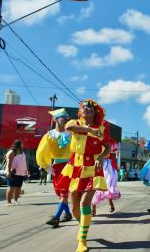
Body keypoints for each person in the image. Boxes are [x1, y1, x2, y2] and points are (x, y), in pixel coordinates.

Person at [57, 99, 110, 252]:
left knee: (85, 204)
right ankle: (82, 228)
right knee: (74, 208)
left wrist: (101, 157)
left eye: (90, 108)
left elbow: (107, 146)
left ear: (95, 113)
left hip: (93, 166)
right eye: (83, 107)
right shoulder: (75, 122)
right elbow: (68, 126)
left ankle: (82, 240)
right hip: (75, 165)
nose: (86, 109)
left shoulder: (101, 127)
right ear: (80, 112)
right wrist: (89, 130)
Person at [36, 108, 73, 228]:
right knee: (60, 192)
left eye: (67, 118)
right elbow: (41, 151)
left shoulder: (72, 134)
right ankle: (67, 214)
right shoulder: (49, 135)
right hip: (56, 166)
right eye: (63, 118)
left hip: (69, 166)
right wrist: (46, 165)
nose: (66, 120)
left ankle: (56, 217)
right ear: (56, 120)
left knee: (64, 192)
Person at [5, 140, 29, 206]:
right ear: (18, 145)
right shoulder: (12, 152)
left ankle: (15, 200)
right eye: (22, 144)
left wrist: (27, 171)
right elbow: (9, 163)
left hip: (21, 173)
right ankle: (8, 202)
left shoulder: (23, 152)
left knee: (19, 187)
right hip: (13, 173)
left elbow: (26, 162)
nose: (23, 145)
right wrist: (9, 171)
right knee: (11, 187)